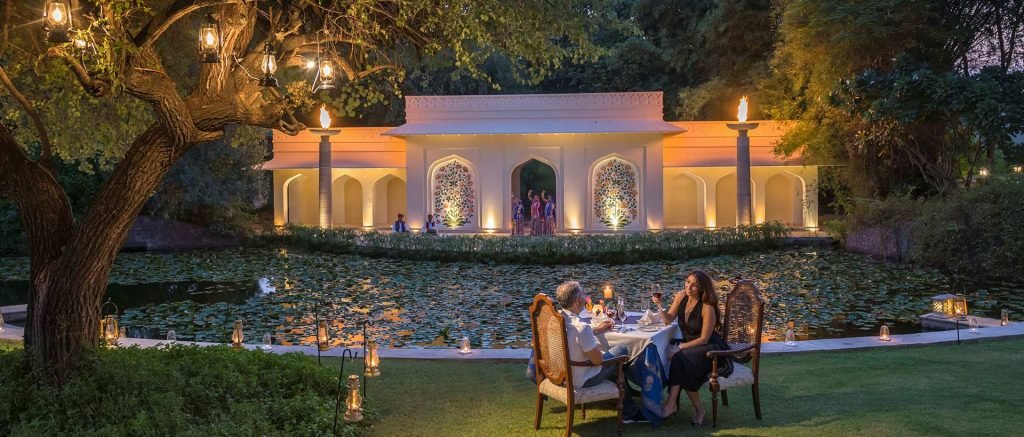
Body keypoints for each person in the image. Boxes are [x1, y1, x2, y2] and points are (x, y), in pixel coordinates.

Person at [651, 270, 732, 425]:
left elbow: (704, 339)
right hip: (690, 348)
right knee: (682, 361)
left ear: (702, 288)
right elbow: (668, 320)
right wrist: (659, 305)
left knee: (681, 359)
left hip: (711, 349)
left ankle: (672, 404)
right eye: (688, 282)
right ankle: (680, 405)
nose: (689, 287)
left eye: (694, 285)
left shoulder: (707, 306)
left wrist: (680, 347)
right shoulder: (681, 296)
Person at [555, 281, 639, 417]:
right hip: (581, 379)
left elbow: (575, 339)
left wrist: (595, 332)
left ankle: (628, 407)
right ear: (577, 301)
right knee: (621, 350)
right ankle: (630, 411)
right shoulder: (581, 327)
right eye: (583, 293)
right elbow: (598, 361)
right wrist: (608, 354)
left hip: (563, 374)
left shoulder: (557, 319)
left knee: (612, 365)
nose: (586, 295)